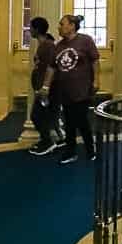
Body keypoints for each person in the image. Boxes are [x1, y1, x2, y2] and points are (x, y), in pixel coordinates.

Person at [53, 14, 100, 164]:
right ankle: (70, 151)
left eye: (62, 24)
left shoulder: (85, 41)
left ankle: (90, 150)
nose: (59, 27)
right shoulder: (59, 46)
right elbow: (53, 67)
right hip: (65, 90)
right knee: (69, 121)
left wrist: (97, 80)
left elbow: (95, 61)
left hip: (82, 88)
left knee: (81, 120)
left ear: (72, 26)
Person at [25, 16, 61, 156]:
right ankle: (55, 139)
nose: (29, 30)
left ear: (37, 29)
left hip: (47, 90)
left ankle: (48, 142)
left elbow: (50, 68)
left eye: (31, 27)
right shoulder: (44, 45)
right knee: (48, 115)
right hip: (42, 88)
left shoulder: (48, 46)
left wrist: (44, 88)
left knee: (37, 116)